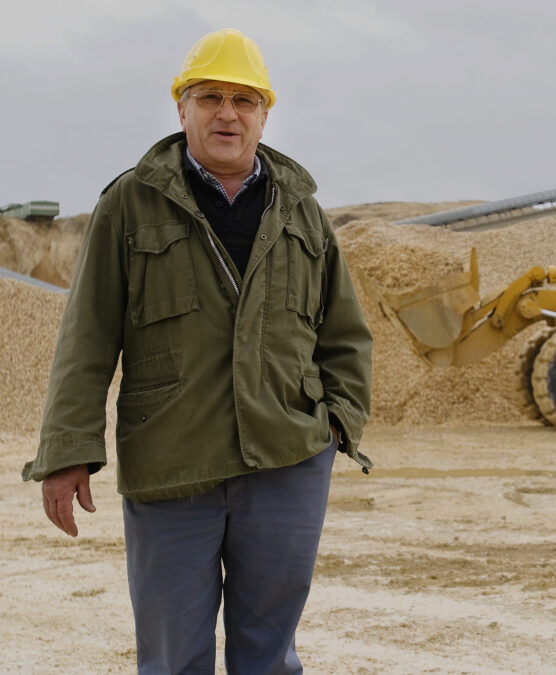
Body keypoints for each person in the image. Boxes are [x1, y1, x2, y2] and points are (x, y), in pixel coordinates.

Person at [21, 28, 373, 673]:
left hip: (286, 461)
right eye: (210, 96)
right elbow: (87, 336)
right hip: (172, 462)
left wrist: (335, 425)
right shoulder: (130, 203)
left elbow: (345, 333)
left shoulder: (303, 212)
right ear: (181, 108)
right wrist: (67, 452)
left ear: (265, 114)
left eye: (244, 99)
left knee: (269, 655)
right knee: (172, 657)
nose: (227, 113)